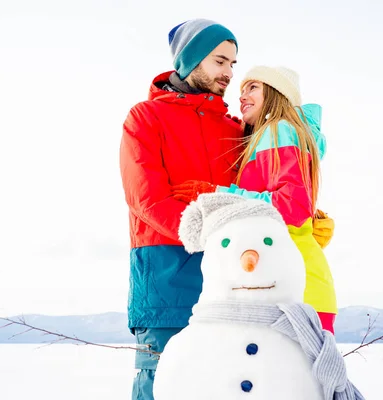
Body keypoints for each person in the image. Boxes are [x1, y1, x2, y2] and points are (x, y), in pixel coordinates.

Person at [119, 19, 242, 400]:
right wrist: (206, 232)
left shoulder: (236, 129)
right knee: (160, 383)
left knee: (225, 384)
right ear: (191, 61)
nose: (228, 73)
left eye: (233, 64)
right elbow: (145, 198)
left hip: (228, 279)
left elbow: (259, 195)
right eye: (220, 61)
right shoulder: (145, 118)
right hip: (165, 274)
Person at [171, 66, 338, 333]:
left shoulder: (279, 130)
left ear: (275, 93)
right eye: (241, 90)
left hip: (295, 289)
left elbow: (290, 207)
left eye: (252, 88)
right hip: (293, 283)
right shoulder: (282, 133)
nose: (242, 96)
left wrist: (216, 194)